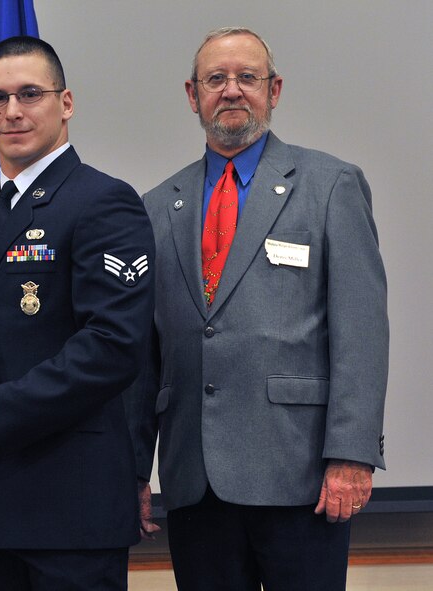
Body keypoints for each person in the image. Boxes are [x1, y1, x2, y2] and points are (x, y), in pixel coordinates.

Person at [135, 27, 389, 590]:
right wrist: (136, 469)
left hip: (301, 479)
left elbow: (362, 333)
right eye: (215, 79)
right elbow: (145, 354)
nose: (231, 90)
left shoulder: (330, 185)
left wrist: (352, 455)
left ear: (274, 91)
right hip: (194, 479)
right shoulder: (156, 207)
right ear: (192, 94)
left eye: (247, 78)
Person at [0, 36, 155, 590]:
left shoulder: (104, 201)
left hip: (71, 501)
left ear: (66, 103)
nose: (13, 111)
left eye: (30, 94)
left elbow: (112, 345)